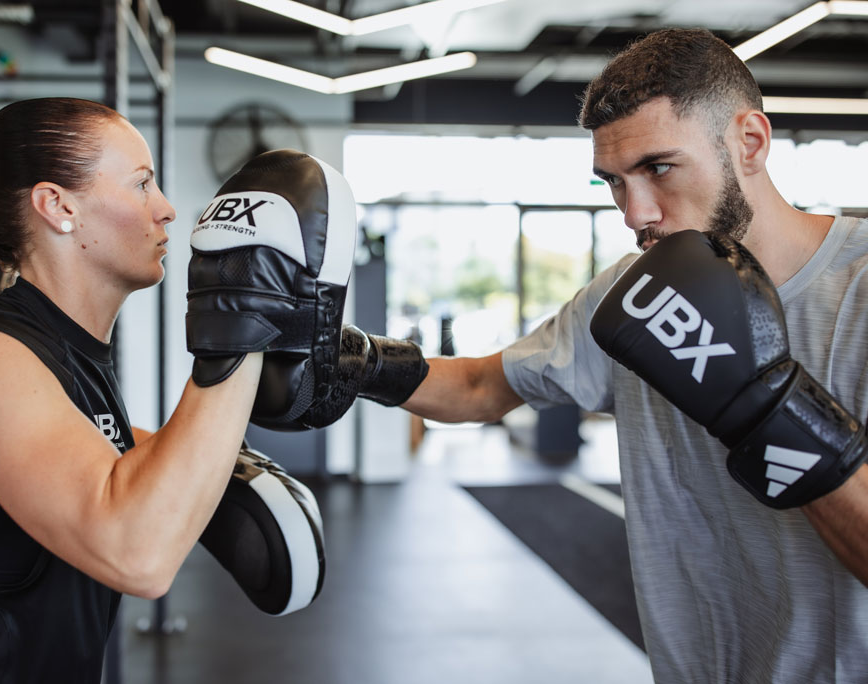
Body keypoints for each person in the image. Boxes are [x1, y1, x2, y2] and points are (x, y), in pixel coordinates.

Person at [370, 28, 868, 682]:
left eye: (659, 168)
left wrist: (770, 410)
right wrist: (350, 360)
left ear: (749, 142)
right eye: (613, 181)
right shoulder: (635, 295)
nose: (635, 213)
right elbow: (480, 388)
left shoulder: (858, 292)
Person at [0, 98, 269, 682]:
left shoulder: (71, 357)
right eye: (142, 184)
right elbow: (139, 556)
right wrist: (243, 323)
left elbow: (127, 469)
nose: (166, 210)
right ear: (58, 207)